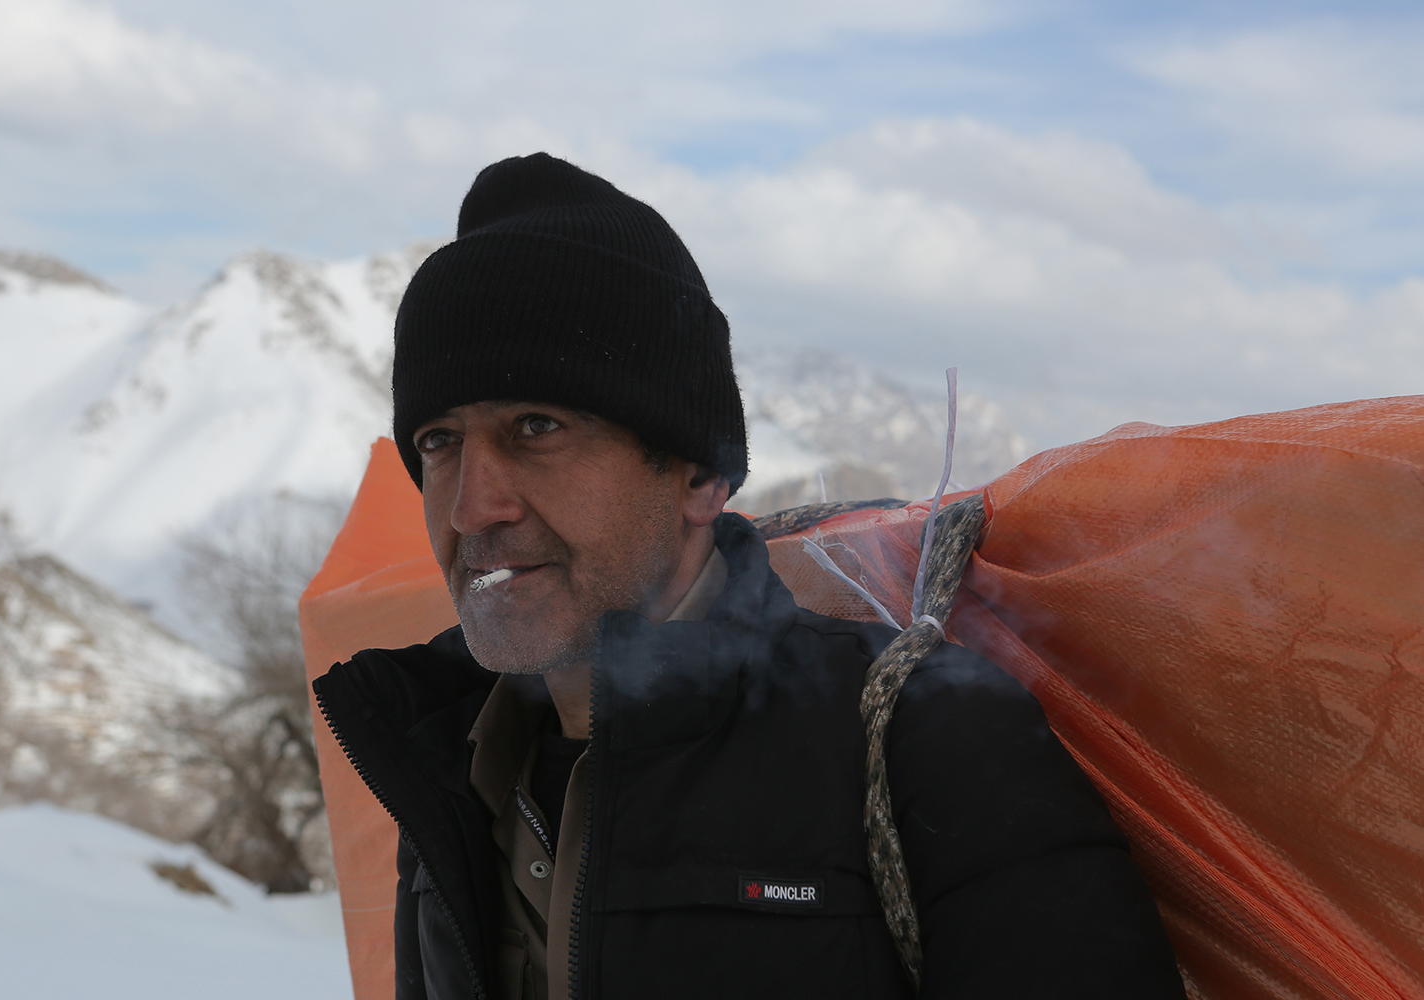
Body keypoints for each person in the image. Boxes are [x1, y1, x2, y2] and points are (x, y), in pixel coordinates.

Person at [313, 152, 1186, 1000]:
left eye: (537, 427)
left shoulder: (929, 740)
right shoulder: (447, 766)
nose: (471, 507)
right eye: (439, 442)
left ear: (699, 476)